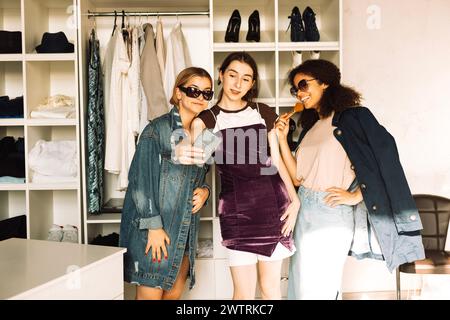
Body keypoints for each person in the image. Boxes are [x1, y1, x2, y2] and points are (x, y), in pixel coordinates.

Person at [275, 59, 425, 299]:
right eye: (295, 89)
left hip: (331, 211)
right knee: (300, 285)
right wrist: (283, 140)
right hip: (304, 211)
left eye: (303, 85)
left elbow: (386, 157)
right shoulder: (310, 127)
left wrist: (356, 195)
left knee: (320, 286)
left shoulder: (354, 118)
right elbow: (297, 177)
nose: (299, 93)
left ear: (324, 82)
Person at [191, 52, 300, 299]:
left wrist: (295, 200)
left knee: (271, 289)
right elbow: (198, 161)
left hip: (274, 208)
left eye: (246, 78)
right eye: (232, 75)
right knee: (243, 293)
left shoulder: (263, 112)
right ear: (221, 75)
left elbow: (277, 162)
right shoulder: (208, 119)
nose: (238, 84)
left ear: (252, 84)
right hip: (236, 212)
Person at [119, 67, 214, 300]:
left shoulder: (208, 135)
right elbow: (140, 182)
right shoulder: (156, 131)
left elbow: (203, 176)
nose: (200, 97)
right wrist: (154, 227)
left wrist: (205, 191)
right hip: (157, 231)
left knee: (173, 297)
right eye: (193, 91)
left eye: (207, 93)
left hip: (185, 231)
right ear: (178, 93)